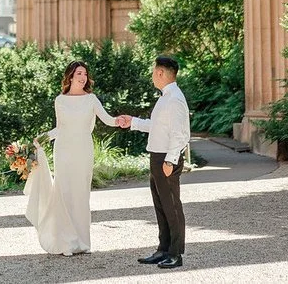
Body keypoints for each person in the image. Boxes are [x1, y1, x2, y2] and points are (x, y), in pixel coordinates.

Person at [24, 61, 119, 256]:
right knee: (64, 193)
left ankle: (83, 242)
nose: (83, 77)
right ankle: (66, 241)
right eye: (79, 73)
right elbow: (60, 128)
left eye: (85, 73)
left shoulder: (91, 99)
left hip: (83, 150)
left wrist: (122, 121)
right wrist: (43, 137)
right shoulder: (60, 100)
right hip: (64, 151)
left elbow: (108, 119)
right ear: (70, 77)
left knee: (81, 195)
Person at [116, 56, 191, 270]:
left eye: (153, 71)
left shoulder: (175, 98)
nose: (152, 76)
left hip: (166, 158)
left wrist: (170, 160)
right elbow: (158, 127)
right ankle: (163, 249)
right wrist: (133, 122)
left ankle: (175, 254)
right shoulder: (165, 97)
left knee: (172, 206)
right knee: (161, 206)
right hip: (157, 156)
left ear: (160, 73)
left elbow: (180, 134)